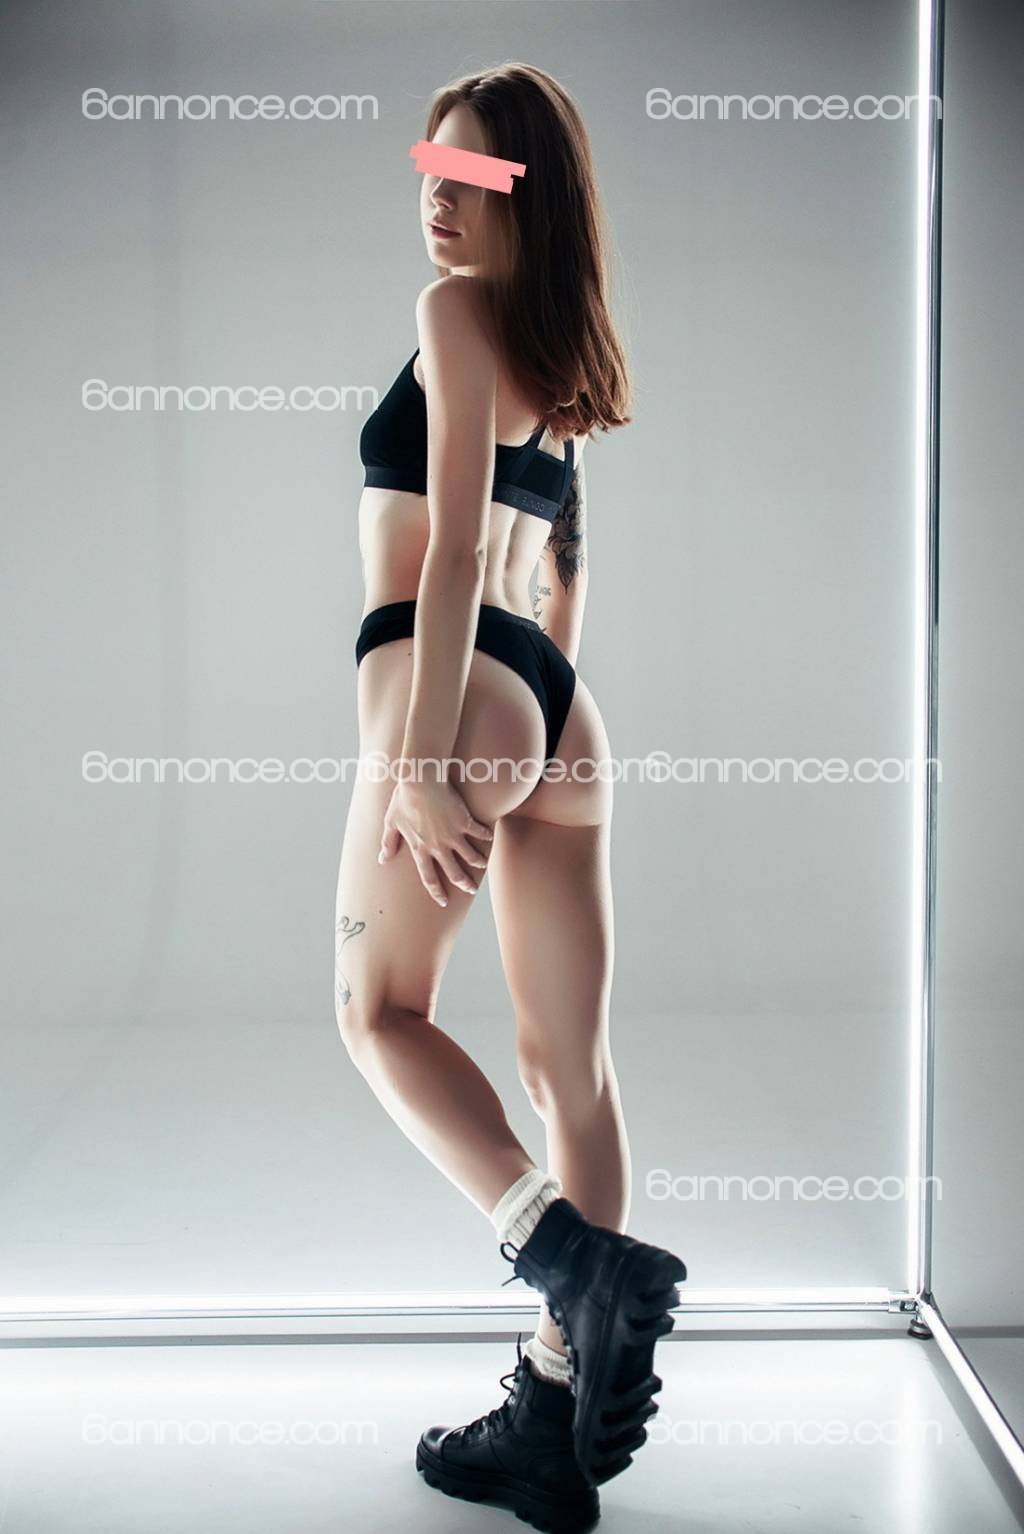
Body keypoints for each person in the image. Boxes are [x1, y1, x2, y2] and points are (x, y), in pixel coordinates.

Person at [333, 62, 685, 1532]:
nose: (440, 197)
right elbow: (564, 572)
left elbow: (466, 550)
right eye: (434, 168)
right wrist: (530, 727)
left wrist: (428, 758)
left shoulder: (457, 313)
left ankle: (571, 1259)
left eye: (474, 175)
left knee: (377, 1013)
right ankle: (554, 1408)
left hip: (452, 677)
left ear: (527, 194)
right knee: (570, 1068)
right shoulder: (566, 346)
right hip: (557, 706)